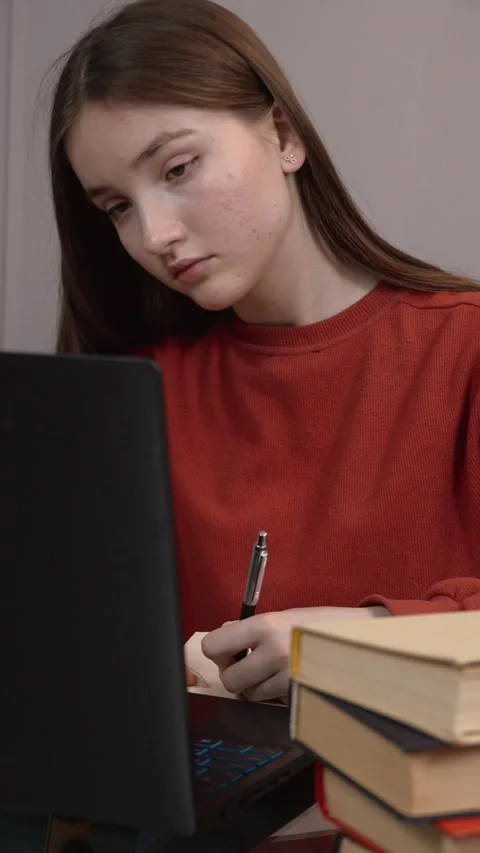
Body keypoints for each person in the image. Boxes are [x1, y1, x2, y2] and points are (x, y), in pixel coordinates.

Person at [48, 0, 480, 703]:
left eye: (178, 167)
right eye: (116, 207)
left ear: (282, 135)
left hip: (414, 806)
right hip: (199, 807)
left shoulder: (463, 347)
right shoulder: (136, 388)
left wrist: (352, 641)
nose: (154, 234)